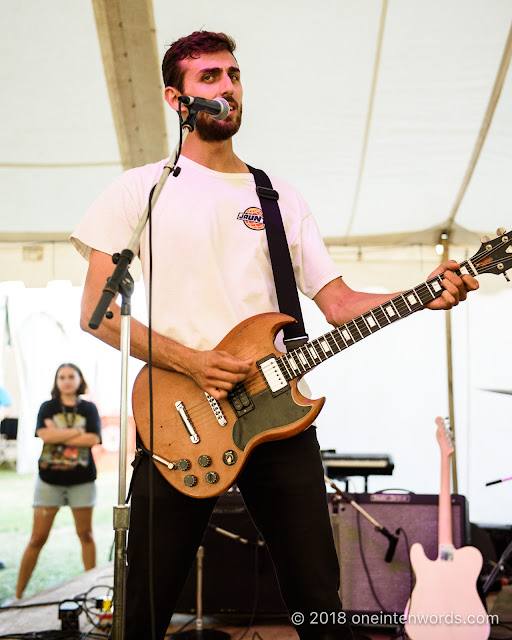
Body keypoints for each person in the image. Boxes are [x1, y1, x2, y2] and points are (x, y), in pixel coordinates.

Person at [71, 31, 478, 640]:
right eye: (209, 77)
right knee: (145, 609)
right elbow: (98, 313)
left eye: (233, 75)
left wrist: (422, 295)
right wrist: (194, 361)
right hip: (179, 416)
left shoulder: (279, 197)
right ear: (173, 97)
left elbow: (339, 304)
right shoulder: (142, 189)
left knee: (318, 598)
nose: (227, 87)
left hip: (280, 414)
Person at [12, 363, 101, 600]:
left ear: (79, 379)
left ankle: (91, 592)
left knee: (86, 535)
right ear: (56, 381)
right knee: (37, 538)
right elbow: (44, 435)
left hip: (82, 481)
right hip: (49, 481)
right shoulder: (47, 406)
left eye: (71, 376)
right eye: (62, 377)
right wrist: (76, 433)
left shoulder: (89, 408)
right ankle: (18, 595)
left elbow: (93, 439)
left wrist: (58, 432)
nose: (67, 381)